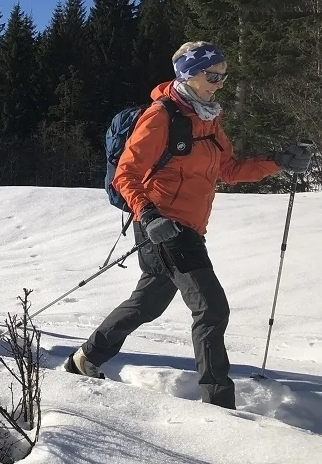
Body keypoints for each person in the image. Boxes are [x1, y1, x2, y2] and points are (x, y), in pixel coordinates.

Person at [64, 41, 312, 408]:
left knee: (147, 303)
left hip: (188, 228)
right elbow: (126, 174)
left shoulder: (209, 119)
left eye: (224, 77)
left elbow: (227, 170)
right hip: (163, 225)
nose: (219, 83)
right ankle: (218, 402)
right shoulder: (161, 116)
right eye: (213, 75)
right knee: (212, 308)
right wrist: (149, 216)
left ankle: (86, 358)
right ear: (188, 73)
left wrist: (277, 162)